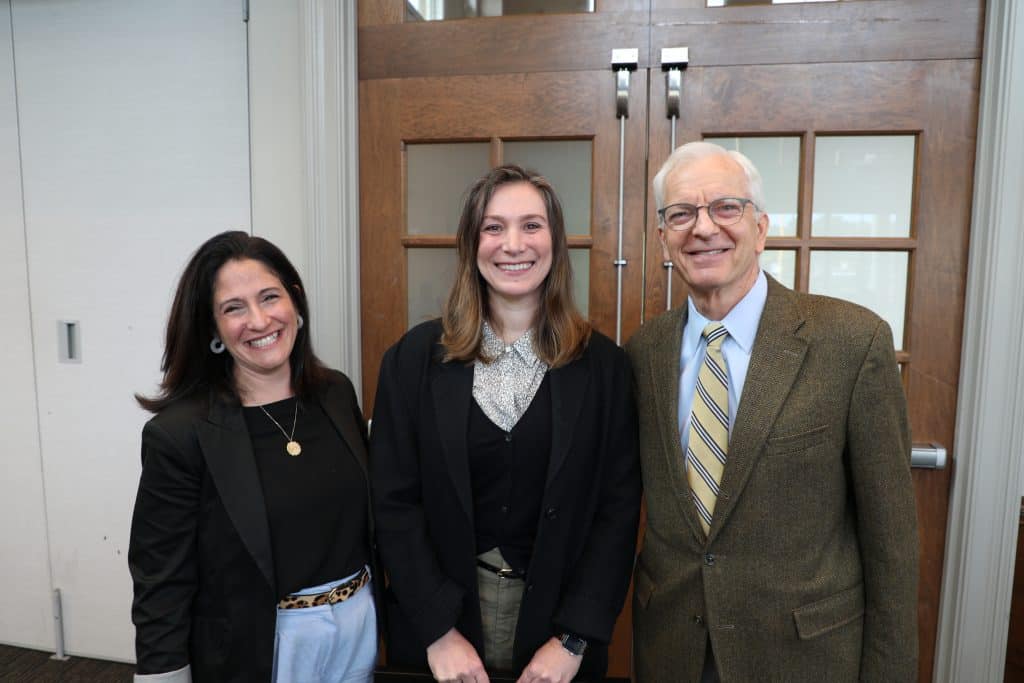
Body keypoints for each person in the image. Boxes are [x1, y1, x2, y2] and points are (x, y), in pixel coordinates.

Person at [625, 142, 919, 682]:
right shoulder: (642, 353)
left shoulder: (851, 342)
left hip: (803, 656)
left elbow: (891, 545)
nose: (703, 228)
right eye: (681, 213)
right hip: (673, 651)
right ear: (663, 237)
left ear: (760, 227)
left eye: (726, 208)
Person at [371, 165, 641, 682]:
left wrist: (573, 639)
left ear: (555, 243)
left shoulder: (605, 368)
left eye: (531, 226)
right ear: (472, 244)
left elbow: (617, 511)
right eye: (493, 227)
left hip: (557, 638)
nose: (512, 244)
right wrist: (437, 631)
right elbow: (394, 503)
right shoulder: (412, 360)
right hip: (440, 639)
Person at [129, 231, 377, 682]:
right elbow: (161, 582)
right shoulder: (180, 434)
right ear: (213, 329)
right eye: (234, 308)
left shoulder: (336, 393)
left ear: (295, 302)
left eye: (269, 297)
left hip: (358, 628)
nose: (259, 320)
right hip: (260, 646)